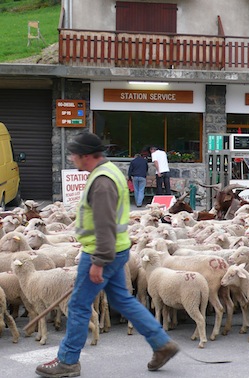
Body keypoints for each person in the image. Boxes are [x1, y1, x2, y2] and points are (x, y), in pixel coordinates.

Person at [36, 132, 178, 378]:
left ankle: (68, 361)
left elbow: (104, 223)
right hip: (117, 249)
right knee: (123, 300)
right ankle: (161, 343)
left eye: (74, 155)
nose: (71, 159)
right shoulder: (110, 171)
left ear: (87, 156)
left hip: (100, 253)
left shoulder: (102, 181)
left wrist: (98, 262)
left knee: (79, 306)